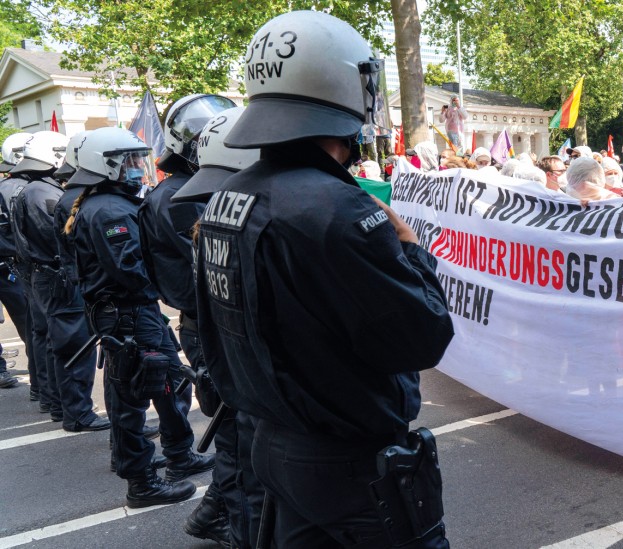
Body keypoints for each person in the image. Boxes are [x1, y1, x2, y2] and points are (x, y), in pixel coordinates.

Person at [194, 11, 453, 546]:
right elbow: (424, 336)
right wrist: (411, 248)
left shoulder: (229, 196)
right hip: (348, 465)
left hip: (274, 442)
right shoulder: (336, 209)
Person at [65, 127, 213, 507]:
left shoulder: (108, 203)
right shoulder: (109, 210)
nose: (136, 167)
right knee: (132, 398)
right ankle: (142, 483)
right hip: (128, 315)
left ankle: (179, 455)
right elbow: (130, 267)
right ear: (106, 164)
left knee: (170, 383)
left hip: (135, 312)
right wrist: (166, 278)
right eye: (128, 160)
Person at [137, 93, 235, 544]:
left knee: (238, 431)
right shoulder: (180, 196)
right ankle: (222, 513)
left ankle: (219, 509)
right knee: (238, 429)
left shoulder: (175, 191)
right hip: (210, 322)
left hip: (204, 321)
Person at [172, 106, 265, 548]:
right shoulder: (241, 219)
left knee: (238, 451)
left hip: (227, 355)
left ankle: (218, 515)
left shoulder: (216, 216)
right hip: (240, 365)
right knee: (244, 460)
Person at [9, 131, 71, 423]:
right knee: (54, 337)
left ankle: (50, 397)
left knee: (43, 333)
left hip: (33, 271)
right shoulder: (42, 193)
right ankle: (59, 401)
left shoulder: (35, 189)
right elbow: (57, 239)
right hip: (46, 272)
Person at [0, 132, 34, 390]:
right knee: (30, 323)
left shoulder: (8, 188)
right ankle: (41, 381)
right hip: (13, 264)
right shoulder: (21, 189)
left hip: (10, 265)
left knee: (29, 322)